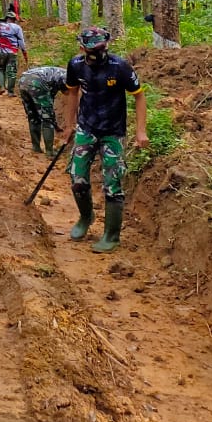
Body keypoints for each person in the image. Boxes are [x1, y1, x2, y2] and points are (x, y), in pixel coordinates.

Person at [61, 26, 148, 254]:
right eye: (92, 49)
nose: (98, 53)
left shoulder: (119, 67)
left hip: (113, 132)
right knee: (77, 177)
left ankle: (111, 235)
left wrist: (141, 131)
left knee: (113, 183)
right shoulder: (76, 65)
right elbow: (72, 93)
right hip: (86, 128)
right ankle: (85, 216)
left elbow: (139, 97)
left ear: (107, 45)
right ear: (82, 48)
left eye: (101, 48)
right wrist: (69, 125)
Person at [17, 65, 67, 154]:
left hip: (23, 81)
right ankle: (50, 151)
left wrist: (55, 123)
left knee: (33, 117)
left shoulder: (57, 74)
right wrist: (53, 123)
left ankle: (36, 147)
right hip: (37, 82)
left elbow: (50, 99)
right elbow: (49, 110)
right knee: (47, 120)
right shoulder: (67, 77)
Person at [0, 12, 28, 95]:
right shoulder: (17, 28)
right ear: (14, 20)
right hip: (13, 52)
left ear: (6, 19)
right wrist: (24, 53)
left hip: (1, 52)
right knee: (12, 72)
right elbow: (21, 41)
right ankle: (11, 92)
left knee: (0, 69)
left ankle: (2, 87)